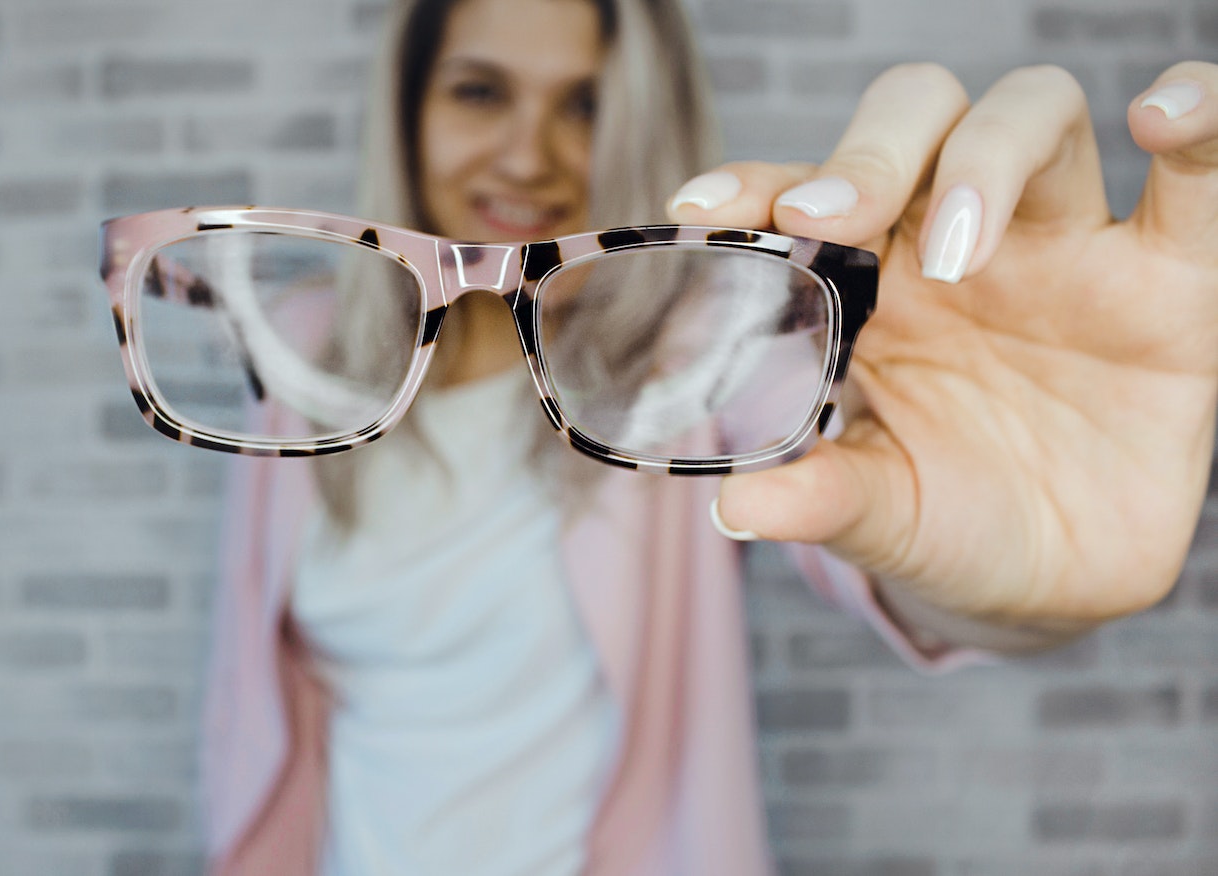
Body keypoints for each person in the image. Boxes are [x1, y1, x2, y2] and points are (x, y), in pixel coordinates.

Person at [190, 0, 1218, 873]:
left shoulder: (698, 349)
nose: (524, 154)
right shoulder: (303, 348)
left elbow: (872, 512)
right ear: (406, 109)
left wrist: (1022, 563)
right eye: (478, 91)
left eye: (585, 103)